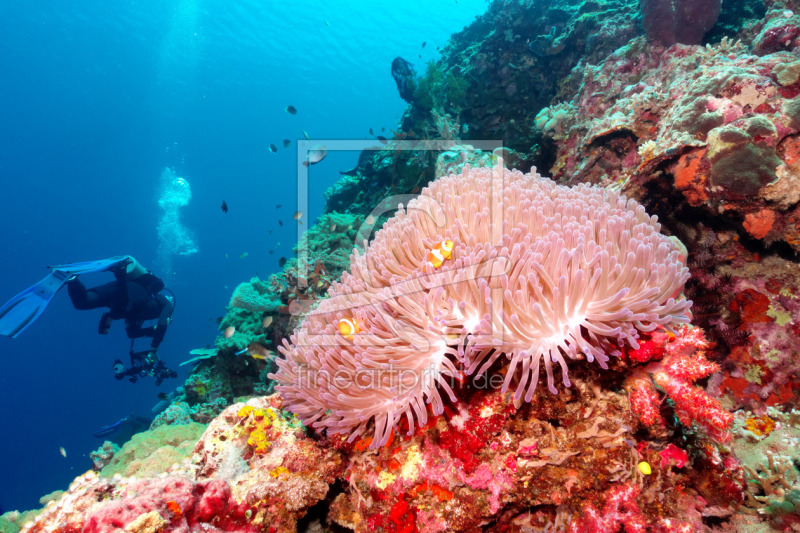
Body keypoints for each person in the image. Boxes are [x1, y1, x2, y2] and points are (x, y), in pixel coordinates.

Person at [66, 256, 177, 384]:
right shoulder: (166, 303)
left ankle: (72, 279)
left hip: (121, 291)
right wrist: (153, 348)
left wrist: (151, 330)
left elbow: (132, 333)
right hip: (132, 292)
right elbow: (163, 323)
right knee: (118, 312)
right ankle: (120, 272)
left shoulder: (136, 315)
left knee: (82, 303)